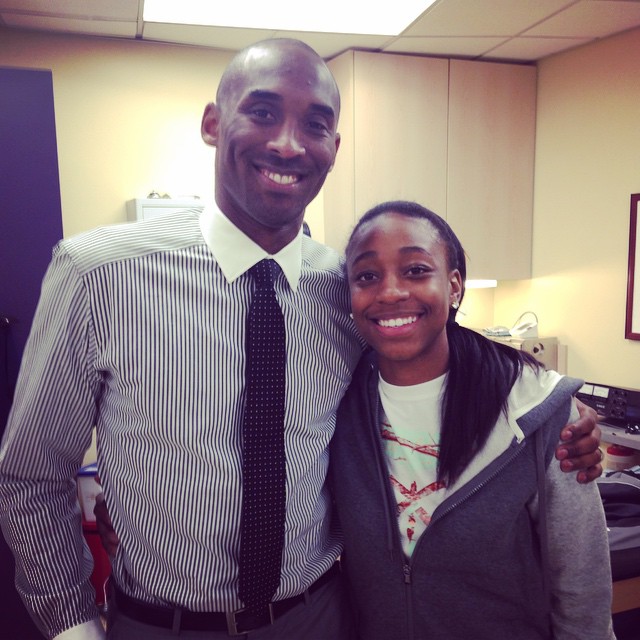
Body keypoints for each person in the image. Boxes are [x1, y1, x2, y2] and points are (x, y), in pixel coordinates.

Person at [0, 39, 601, 640]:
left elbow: (430, 349)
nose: (287, 143)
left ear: (334, 149)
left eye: (315, 124)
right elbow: (31, 473)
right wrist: (74, 626)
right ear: (213, 123)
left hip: (320, 617)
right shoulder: (97, 273)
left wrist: (554, 411)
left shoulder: (346, 290)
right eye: (261, 113)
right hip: (162, 624)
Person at [330, 200, 615, 639]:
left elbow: (580, 583)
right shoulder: (335, 403)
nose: (389, 292)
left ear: (455, 286)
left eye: (416, 270)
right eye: (367, 276)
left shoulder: (533, 410)